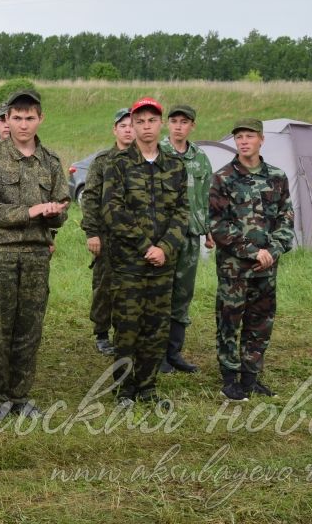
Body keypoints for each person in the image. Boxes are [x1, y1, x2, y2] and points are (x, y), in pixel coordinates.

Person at [0, 89, 69, 421]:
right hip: (0, 255)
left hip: (36, 257)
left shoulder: (51, 162)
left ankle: (20, 395)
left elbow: (62, 210)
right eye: (17, 118)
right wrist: (29, 211)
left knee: (29, 328)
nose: (23, 124)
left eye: (29, 118)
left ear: (40, 119)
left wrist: (55, 212)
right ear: (7, 120)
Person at [102, 97, 188, 406]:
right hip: (129, 263)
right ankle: (125, 390)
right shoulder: (119, 165)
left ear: (160, 123)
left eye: (152, 120)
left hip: (162, 264)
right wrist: (144, 246)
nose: (146, 126)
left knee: (156, 327)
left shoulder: (175, 166)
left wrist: (164, 247)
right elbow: (112, 211)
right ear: (133, 125)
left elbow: (182, 212)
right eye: (140, 121)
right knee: (127, 327)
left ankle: (148, 388)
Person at [209, 118, 294, 401]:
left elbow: (286, 218)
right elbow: (218, 224)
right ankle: (230, 379)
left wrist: (272, 250)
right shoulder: (222, 178)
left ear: (261, 140)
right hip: (235, 268)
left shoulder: (277, 177)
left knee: (260, 321)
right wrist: (252, 252)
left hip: (267, 268)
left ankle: (250, 376)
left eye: (249, 136)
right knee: (229, 322)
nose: (243, 142)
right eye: (239, 137)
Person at [158, 105, 214, 374]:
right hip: (164, 237)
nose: (178, 126)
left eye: (184, 122)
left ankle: (174, 352)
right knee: (160, 293)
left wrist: (209, 232)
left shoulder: (200, 158)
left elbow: (206, 197)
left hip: (191, 235)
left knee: (183, 294)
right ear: (167, 124)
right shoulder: (156, 153)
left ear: (193, 126)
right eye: (174, 121)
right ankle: (156, 354)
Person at [80, 108, 134, 356]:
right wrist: (92, 233)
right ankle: (101, 333)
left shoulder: (145, 159)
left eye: (132, 125)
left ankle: (127, 331)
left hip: (136, 239)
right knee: (104, 286)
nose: (128, 130)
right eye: (123, 125)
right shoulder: (103, 161)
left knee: (131, 288)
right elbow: (90, 198)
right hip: (107, 236)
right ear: (115, 129)